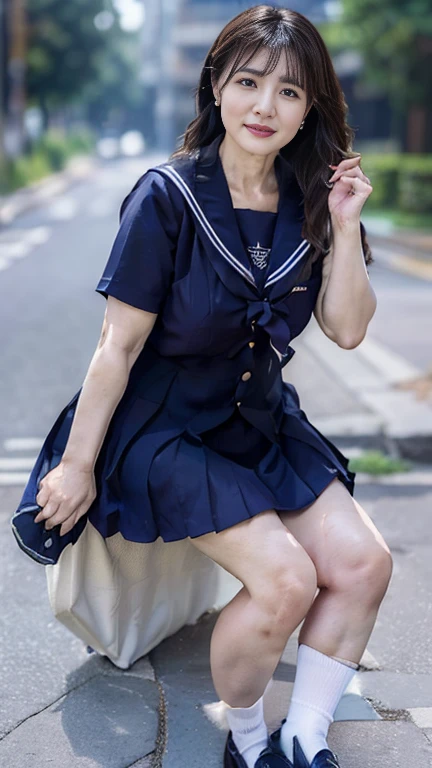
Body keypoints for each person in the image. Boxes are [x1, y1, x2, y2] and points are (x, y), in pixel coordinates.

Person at [11, 5, 393, 768]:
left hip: (258, 419)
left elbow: (347, 329)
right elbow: (116, 347)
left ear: (310, 105)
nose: (264, 106)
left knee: (363, 564)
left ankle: (304, 739)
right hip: (165, 427)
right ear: (215, 85)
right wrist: (79, 465)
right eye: (248, 82)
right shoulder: (167, 196)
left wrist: (345, 225)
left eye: (288, 92)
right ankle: (247, 739)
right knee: (285, 580)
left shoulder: (314, 198)